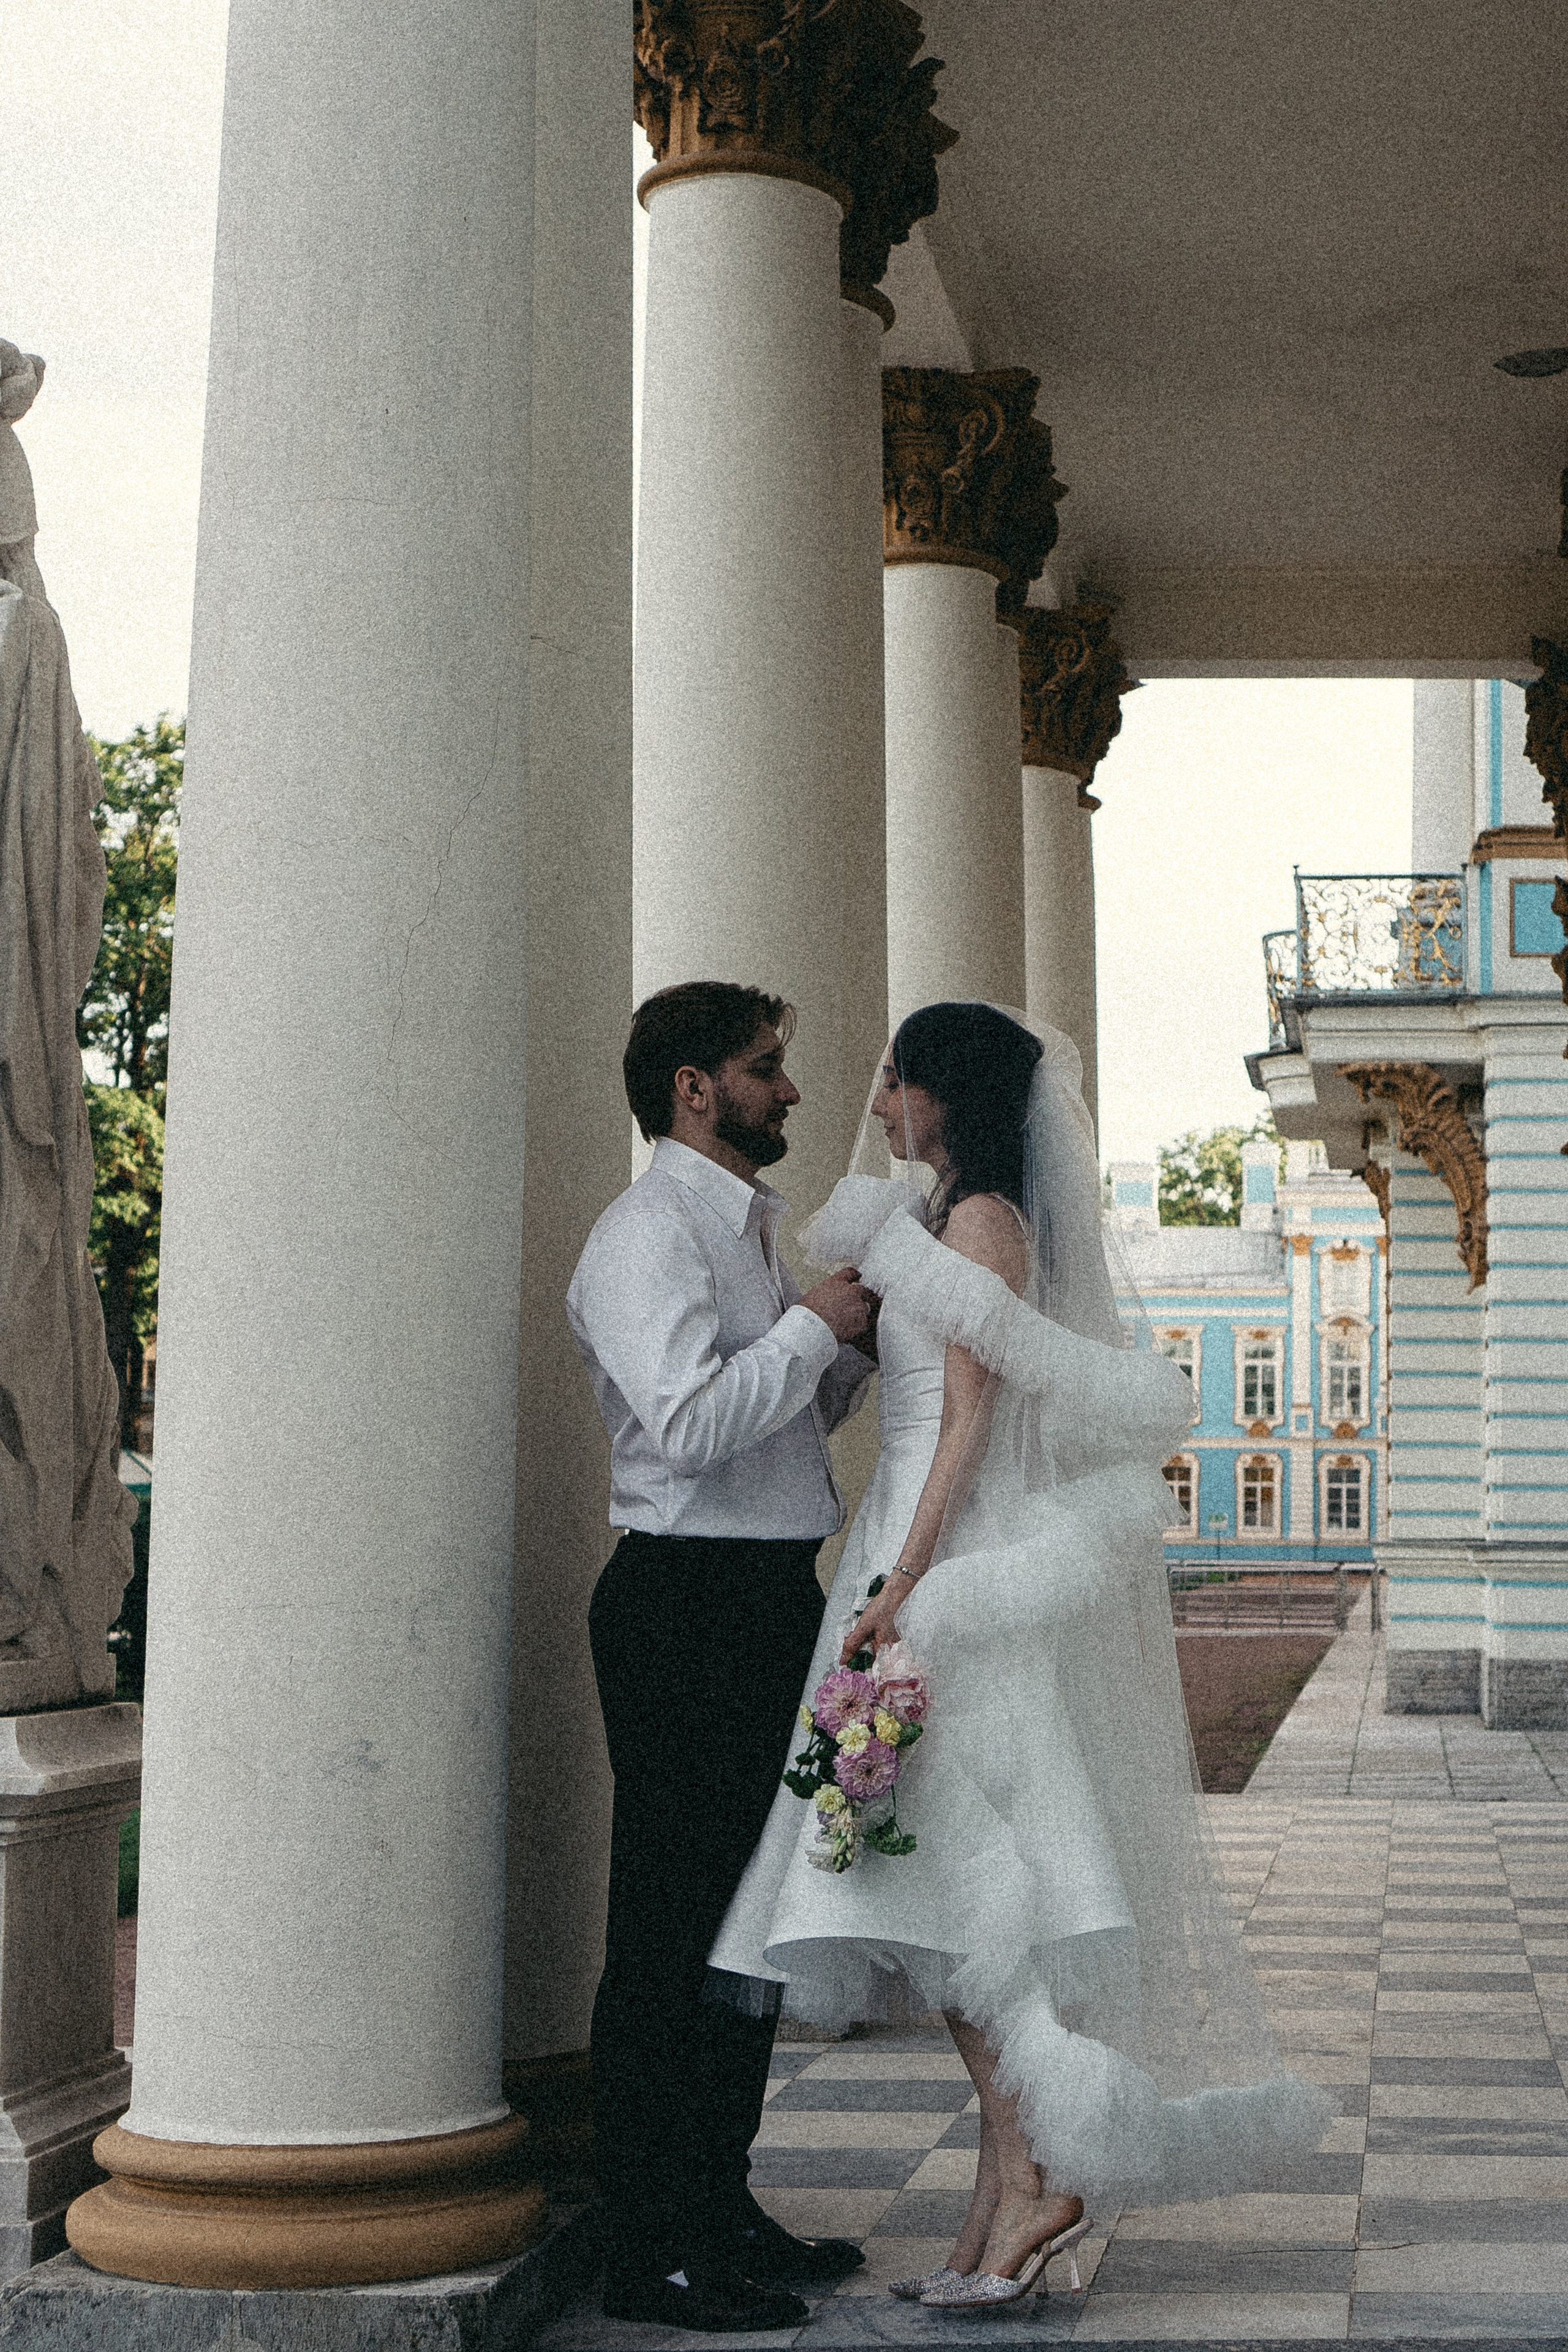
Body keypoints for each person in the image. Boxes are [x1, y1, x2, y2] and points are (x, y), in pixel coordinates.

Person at [713, 1001, 1333, 2309]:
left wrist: (906, 1585)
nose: (876, 1104)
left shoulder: (982, 1223)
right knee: (939, 1891)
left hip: (949, 1559)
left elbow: (968, 1425)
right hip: (912, 1540)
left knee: (957, 1884)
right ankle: (1006, 2192)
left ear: (948, 1094)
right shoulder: (940, 1218)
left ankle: (1036, 2177)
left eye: (896, 1082)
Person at [567, 980, 877, 2334]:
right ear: (693, 1089)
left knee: (750, 1926)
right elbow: (688, 1428)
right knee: (670, 1928)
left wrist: (849, 1349)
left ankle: (718, 2200)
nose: (789, 1089)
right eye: (764, 1067)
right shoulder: (645, 1236)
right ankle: (648, 2247)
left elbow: (775, 1424)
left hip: (762, 1598)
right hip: (683, 1604)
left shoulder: (748, 1230)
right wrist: (815, 1325)